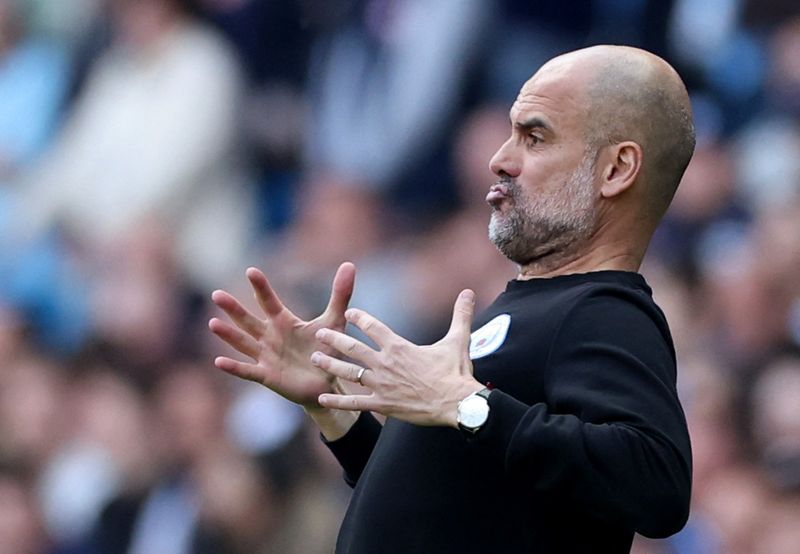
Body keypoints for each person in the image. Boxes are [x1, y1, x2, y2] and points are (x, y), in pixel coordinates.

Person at [209, 44, 695, 553]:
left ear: (616, 170)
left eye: (534, 137)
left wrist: (468, 407)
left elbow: (657, 485)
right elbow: (447, 501)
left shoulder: (603, 310)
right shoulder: (541, 307)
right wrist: (335, 411)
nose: (500, 160)